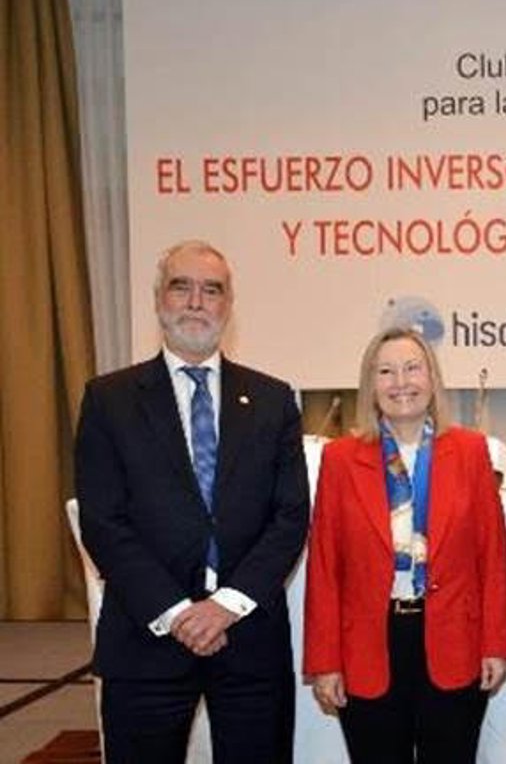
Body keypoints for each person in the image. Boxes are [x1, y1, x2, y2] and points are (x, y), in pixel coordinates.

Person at [75, 240, 310, 763]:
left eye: (212, 290)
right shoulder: (109, 400)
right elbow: (103, 521)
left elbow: (290, 517)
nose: (197, 302)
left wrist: (224, 607)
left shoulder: (273, 400)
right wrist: (180, 613)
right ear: (159, 299)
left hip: (249, 642)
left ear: (229, 305)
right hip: (146, 640)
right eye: (182, 287)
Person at [303, 326, 506, 763]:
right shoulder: (340, 459)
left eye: (412, 368)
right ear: (371, 384)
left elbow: (493, 556)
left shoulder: (471, 451)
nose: (400, 382)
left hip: (455, 642)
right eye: (386, 371)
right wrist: (324, 661)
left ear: (432, 378)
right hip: (368, 646)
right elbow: (324, 566)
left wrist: (497, 644)